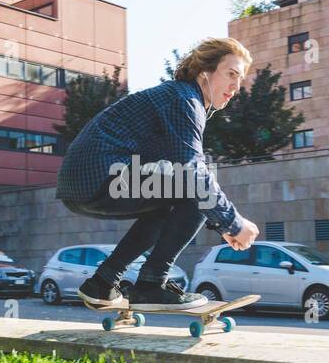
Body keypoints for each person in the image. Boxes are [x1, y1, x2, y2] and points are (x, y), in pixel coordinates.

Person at [56, 37, 260, 311]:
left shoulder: (180, 98)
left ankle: (102, 283)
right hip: (100, 176)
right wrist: (233, 224)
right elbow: (193, 172)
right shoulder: (184, 99)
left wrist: (221, 222)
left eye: (241, 78)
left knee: (173, 197)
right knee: (195, 187)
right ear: (204, 72)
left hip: (84, 182)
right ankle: (151, 285)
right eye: (231, 74)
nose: (237, 86)